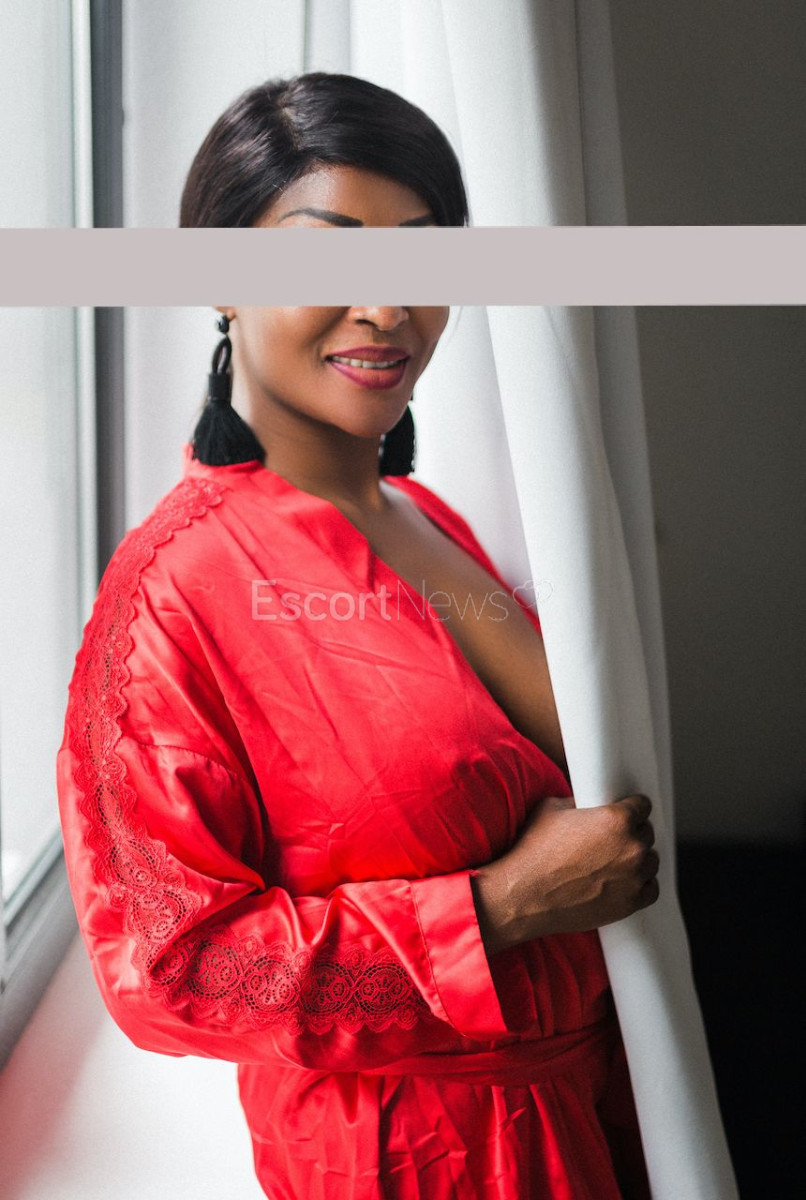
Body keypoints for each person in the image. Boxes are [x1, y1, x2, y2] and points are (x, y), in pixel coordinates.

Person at [57, 73, 659, 1199]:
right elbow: (168, 972)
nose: (387, 307)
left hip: (601, 1111)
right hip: (408, 1160)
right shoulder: (172, 594)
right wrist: (500, 909)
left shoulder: (430, 519)